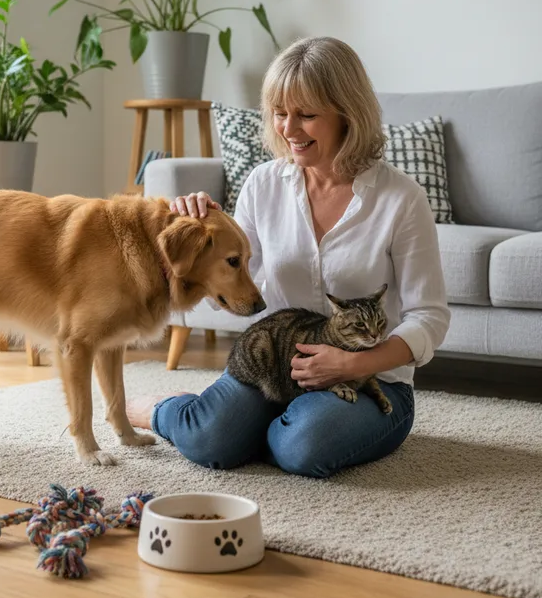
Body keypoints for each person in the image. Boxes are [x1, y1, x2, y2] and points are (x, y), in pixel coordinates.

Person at [127, 36, 451, 478]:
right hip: (275, 370)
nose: (288, 129)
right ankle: (166, 410)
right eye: (280, 113)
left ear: (346, 113)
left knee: (301, 448)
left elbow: (429, 317)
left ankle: (258, 427)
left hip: (371, 383)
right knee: (209, 440)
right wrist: (200, 233)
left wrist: (353, 363)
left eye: (306, 115)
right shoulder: (263, 185)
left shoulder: (401, 199)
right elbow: (231, 289)